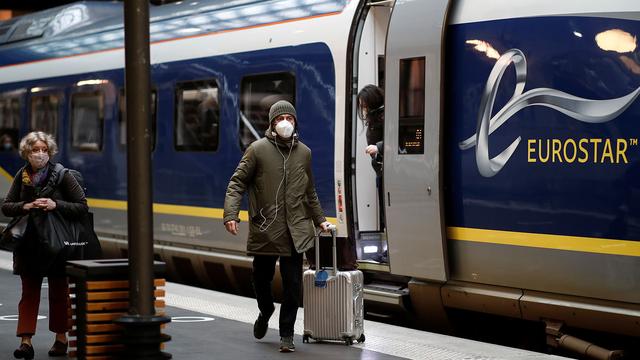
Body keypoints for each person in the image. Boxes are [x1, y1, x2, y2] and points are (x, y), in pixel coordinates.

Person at [223, 100, 331, 353]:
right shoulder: (257, 150)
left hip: (296, 231)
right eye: (280, 119)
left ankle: (286, 335)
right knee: (262, 280)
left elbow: (309, 190)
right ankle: (265, 310)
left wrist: (320, 219)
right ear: (271, 123)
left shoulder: (304, 152)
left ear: (295, 122)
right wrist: (231, 214)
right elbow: (237, 182)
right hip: (266, 229)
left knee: (293, 286)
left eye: (290, 119)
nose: (285, 123)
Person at [1, 131, 88, 359]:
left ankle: (61, 340)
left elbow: (81, 206)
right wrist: (26, 206)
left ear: (49, 152)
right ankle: (25, 341)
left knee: (59, 292)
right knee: (29, 293)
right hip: (29, 244)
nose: (40, 154)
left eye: (44, 150)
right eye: (35, 150)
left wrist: (54, 204)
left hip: (57, 243)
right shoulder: (22, 175)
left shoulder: (63, 175)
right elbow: (7, 206)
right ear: (26, 154)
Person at [357, 84, 385, 229]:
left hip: (387, 171)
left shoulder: (384, 116)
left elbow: (399, 139)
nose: (363, 107)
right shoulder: (375, 116)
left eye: (364, 103)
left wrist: (378, 147)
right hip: (380, 171)